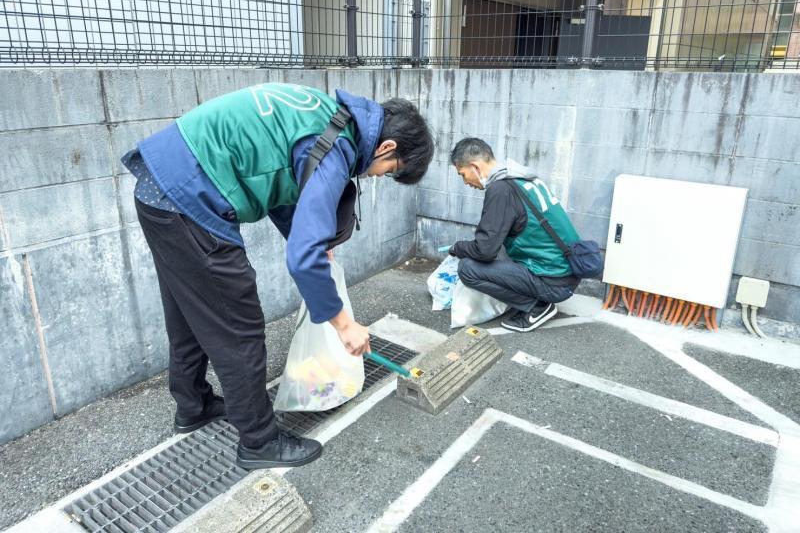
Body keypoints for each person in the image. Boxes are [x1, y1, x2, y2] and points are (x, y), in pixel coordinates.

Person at [121, 82, 433, 470]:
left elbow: (279, 180)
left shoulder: (328, 115)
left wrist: (311, 235)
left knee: (191, 310)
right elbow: (302, 259)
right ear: (387, 148)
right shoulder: (338, 148)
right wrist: (344, 325)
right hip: (188, 196)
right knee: (238, 326)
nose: (377, 175)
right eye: (389, 171)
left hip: (159, 186)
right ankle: (258, 442)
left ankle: (193, 405)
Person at [447, 138, 581, 332]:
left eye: (463, 174)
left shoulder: (500, 189)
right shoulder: (523, 179)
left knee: (467, 268)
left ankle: (537, 306)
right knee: (496, 249)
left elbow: (484, 250)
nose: (465, 182)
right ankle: (536, 297)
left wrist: (457, 248)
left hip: (555, 281)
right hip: (568, 271)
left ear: (475, 166)